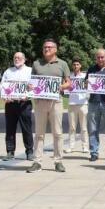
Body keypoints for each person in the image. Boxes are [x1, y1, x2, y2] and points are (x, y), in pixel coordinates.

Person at [26, 39, 71, 173]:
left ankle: (58, 161)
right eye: (45, 47)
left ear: (55, 49)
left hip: (56, 101)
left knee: (57, 132)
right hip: (40, 102)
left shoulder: (62, 64)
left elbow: (69, 83)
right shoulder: (36, 64)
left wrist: (60, 86)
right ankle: (37, 162)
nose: (47, 49)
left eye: (50, 47)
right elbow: (32, 82)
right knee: (39, 133)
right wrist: (30, 86)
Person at [0, 52, 33, 161]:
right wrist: (4, 96)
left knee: (26, 128)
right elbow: (2, 85)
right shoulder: (8, 71)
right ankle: (10, 152)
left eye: (19, 57)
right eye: (15, 58)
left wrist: (27, 96)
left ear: (24, 59)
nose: (16, 59)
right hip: (10, 103)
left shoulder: (30, 71)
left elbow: (33, 87)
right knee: (10, 128)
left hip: (24, 103)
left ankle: (29, 152)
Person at [64, 58, 89, 154]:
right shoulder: (68, 77)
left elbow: (89, 87)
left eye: (77, 64)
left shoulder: (85, 76)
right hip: (72, 104)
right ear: (72, 66)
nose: (76, 66)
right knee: (72, 127)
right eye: (74, 64)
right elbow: (65, 89)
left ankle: (85, 147)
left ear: (80, 66)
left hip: (83, 103)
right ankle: (71, 146)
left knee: (84, 127)